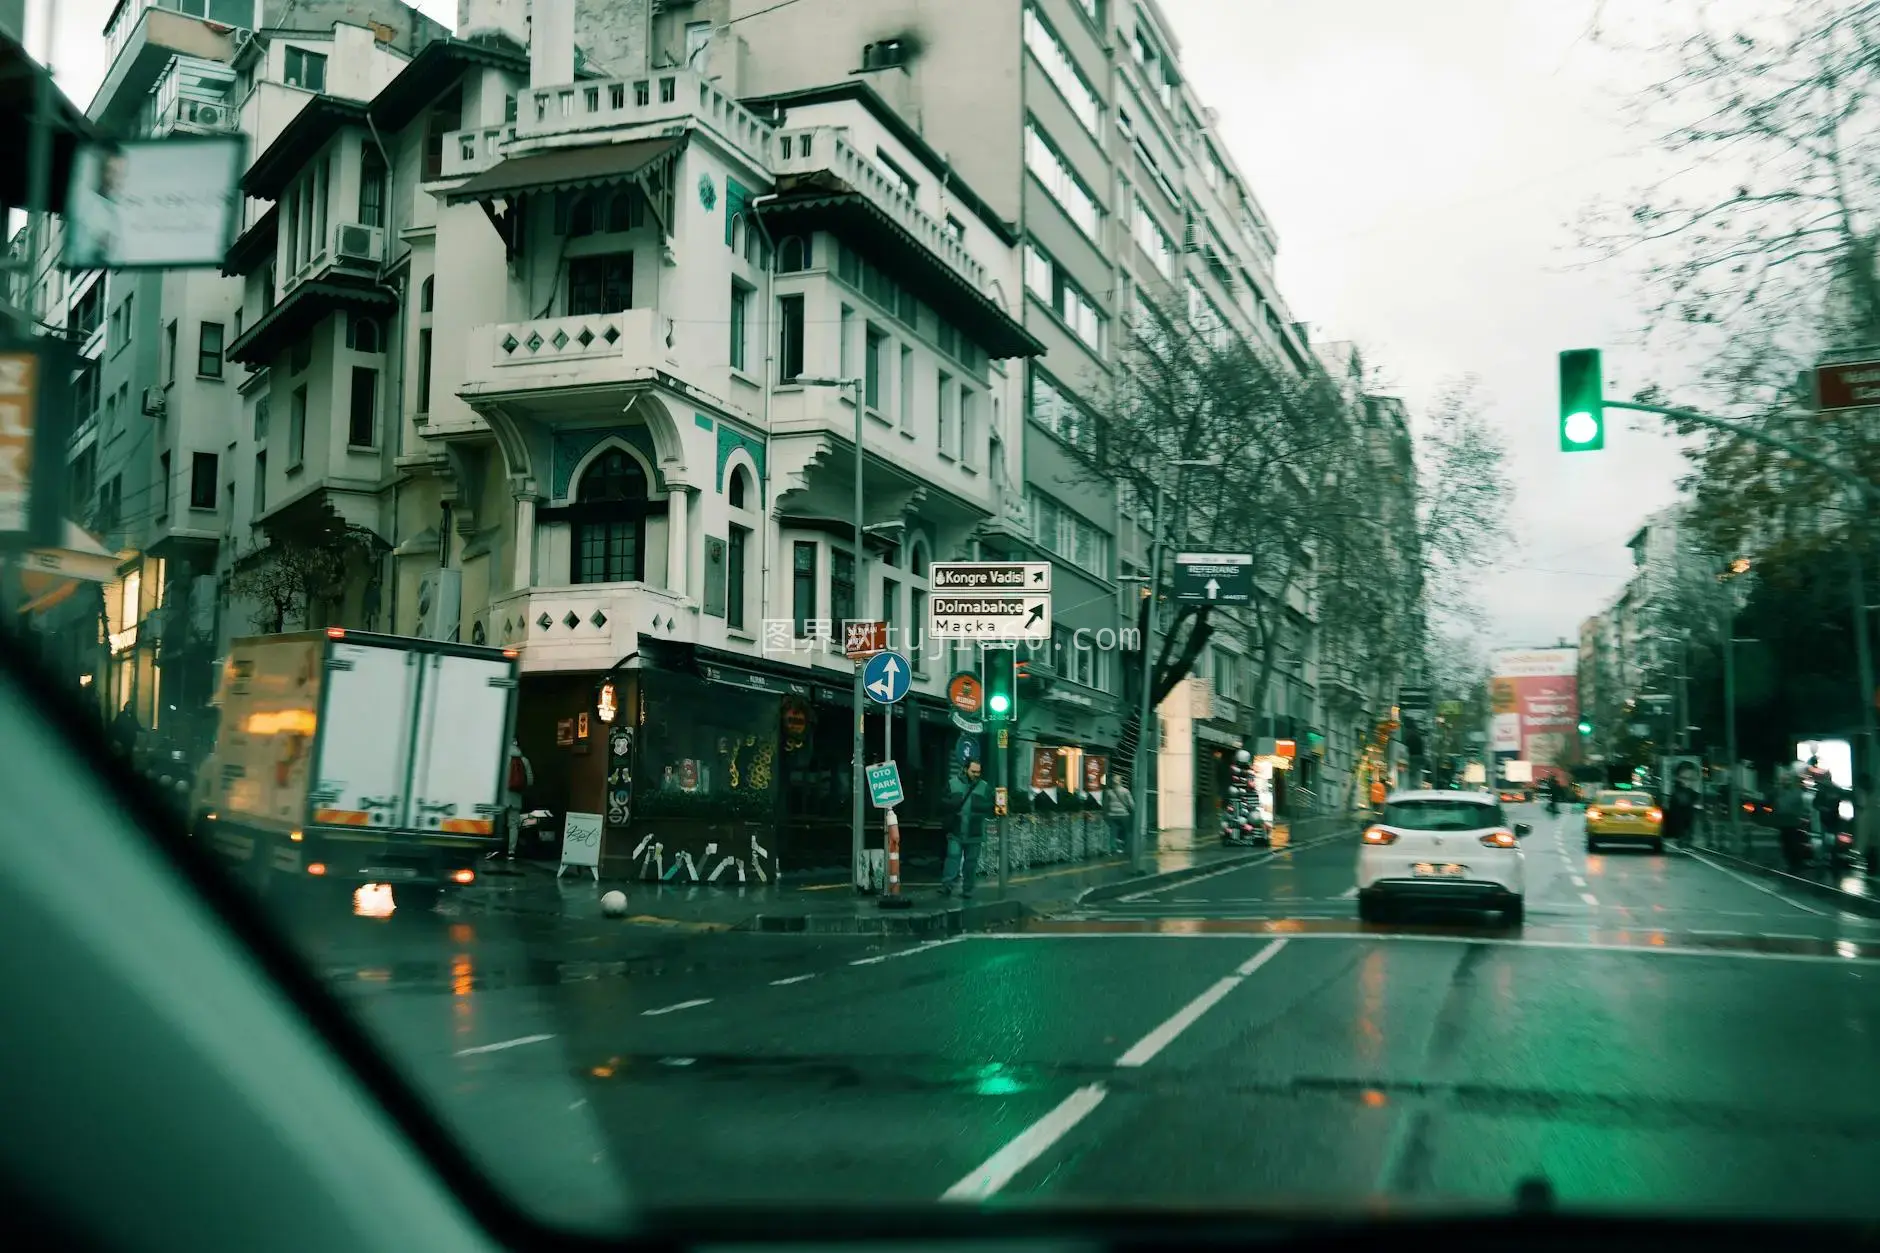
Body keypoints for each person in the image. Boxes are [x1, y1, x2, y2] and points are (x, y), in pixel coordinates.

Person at [66, 142, 127, 270]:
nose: (116, 179)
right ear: (101, 171)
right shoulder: (88, 207)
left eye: (120, 173)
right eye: (111, 172)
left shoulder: (119, 210)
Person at [939, 758, 994, 898]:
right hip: (956, 829)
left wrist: (985, 807)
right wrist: (952, 803)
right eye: (973, 771)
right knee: (953, 858)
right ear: (965, 769)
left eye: (978, 772)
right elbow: (942, 803)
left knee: (971, 862)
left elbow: (993, 807)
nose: (976, 774)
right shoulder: (952, 783)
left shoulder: (985, 787)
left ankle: (967, 889)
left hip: (974, 831)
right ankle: (947, 886)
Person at [1773, 770, 1810, 873]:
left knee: (1793, 842)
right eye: (1784, 779)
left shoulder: (1795, 792)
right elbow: (1778, 805)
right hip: (1784, 821)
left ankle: (1795, 862)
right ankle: (1791, 862)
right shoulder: (1780, 791)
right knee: (1786, 842)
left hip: (1792, 821)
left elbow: (1797, 805)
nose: (1786, 781)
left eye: (1787, 779)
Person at [503, 739, 534, 859]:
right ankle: (511, 852)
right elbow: (530, 780)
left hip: (501, 797)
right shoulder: (524, 760)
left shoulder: (502, 758)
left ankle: (493, 848)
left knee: (496, 823)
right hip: (515, 797)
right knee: (513, 825)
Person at [1664, 764, 1700, 849]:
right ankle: (1683, 839)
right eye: (1684, 778)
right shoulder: (1677, 793)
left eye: (1692, 778)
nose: (1688, 782)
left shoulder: (1694, 794)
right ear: (1678, 778)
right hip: (1681, 817)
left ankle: (1685, 840)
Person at [1102, 768, 1134, 856]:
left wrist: (1105, 814)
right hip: (1124, 815)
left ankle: (1113, 848)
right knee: (1127, 831)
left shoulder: (1108, 792)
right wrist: (1132, 811)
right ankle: (1125, 848)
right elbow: (1131, 804)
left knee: (1113, 831)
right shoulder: (1126, 791)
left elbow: (1105, 805)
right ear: (1120, 782)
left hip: (1112, 815)